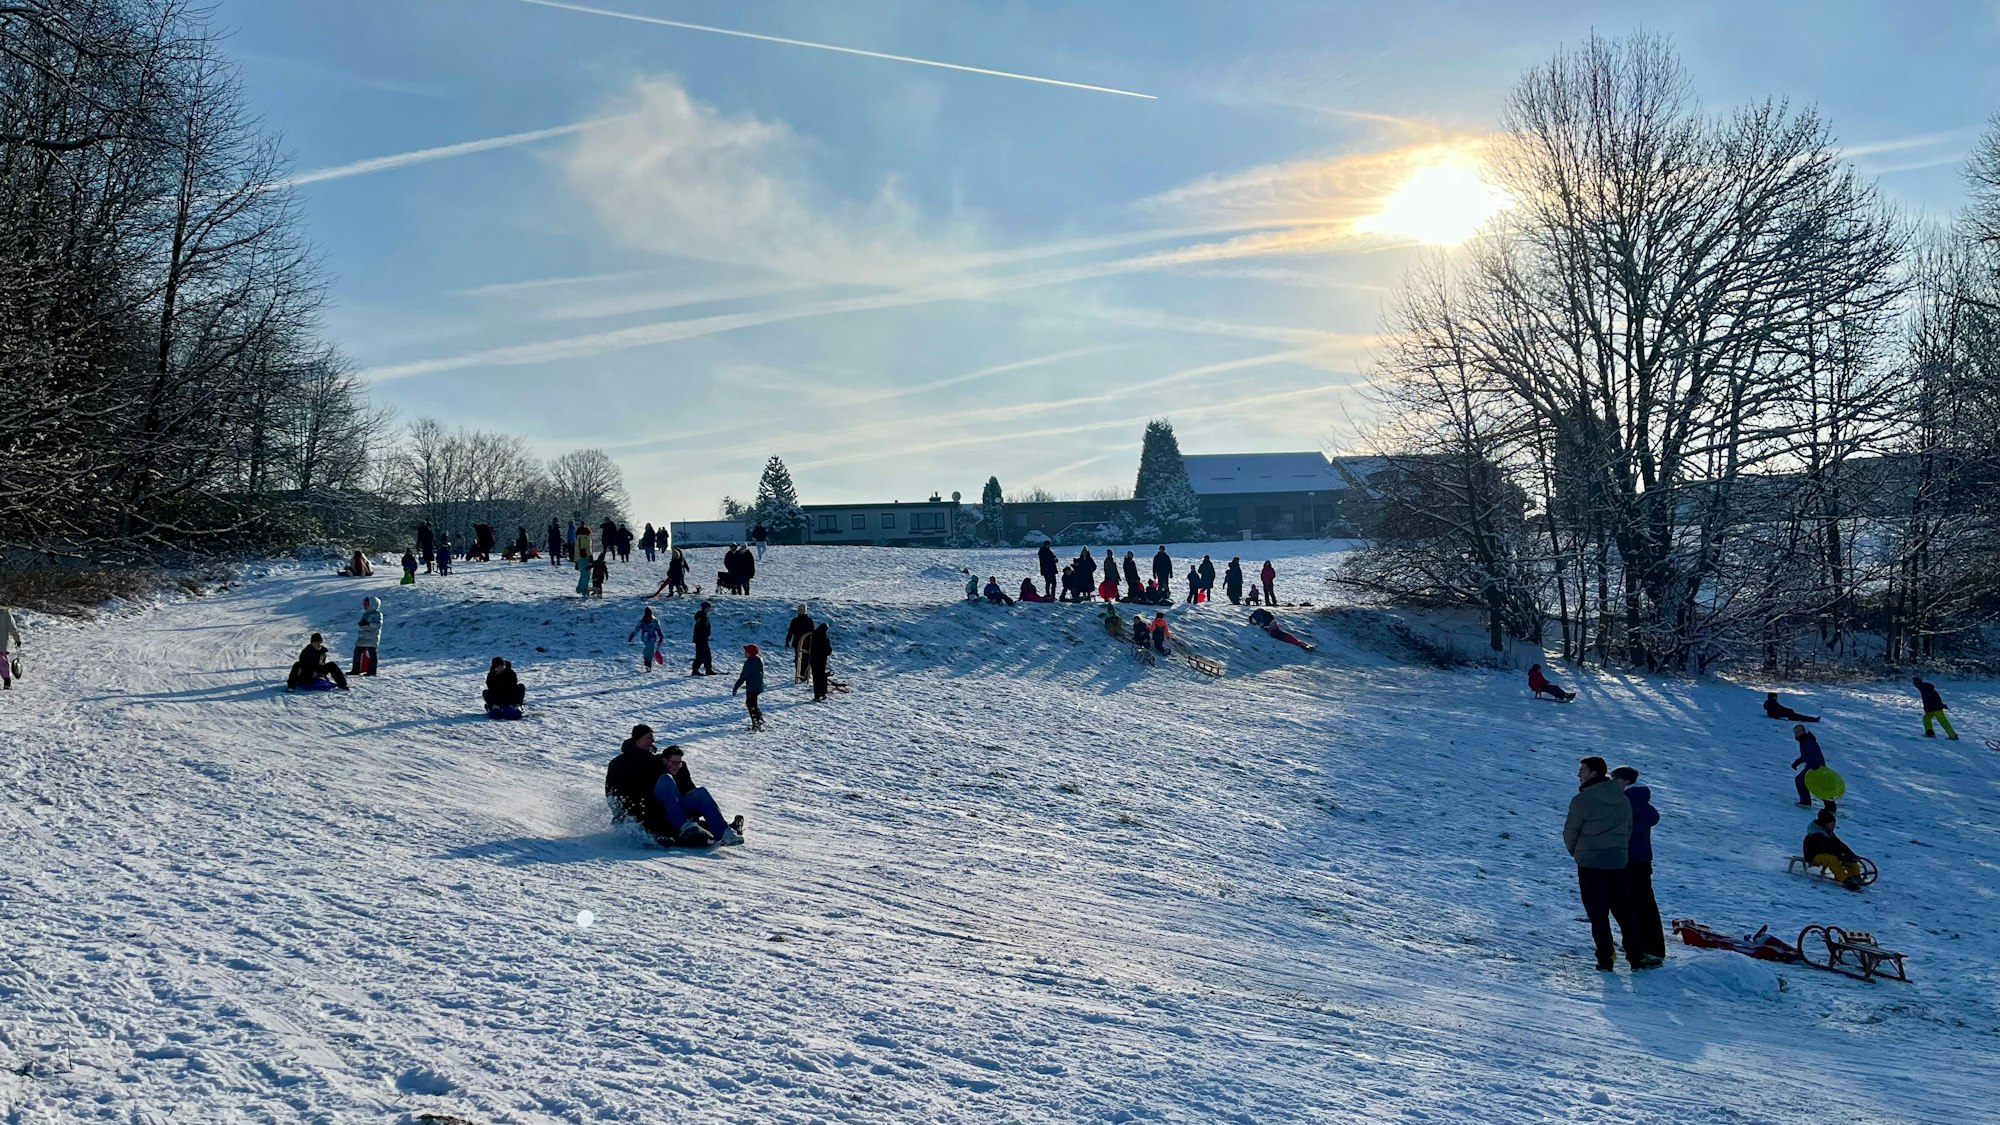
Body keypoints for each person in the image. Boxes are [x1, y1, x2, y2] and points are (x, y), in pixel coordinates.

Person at [1563, 756, 1638, 971]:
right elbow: (1628, 830)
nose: (1579, 774)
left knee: (1598, 913)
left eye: (1583, 770)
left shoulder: (1582, 800)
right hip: (1617, 861)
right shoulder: (1623, 800)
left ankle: (1605, 956)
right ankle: (1635, 954)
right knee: (1623, 910)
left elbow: (1570, 831)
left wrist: (1578, 852)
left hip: (1590, 863)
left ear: (1594, 772)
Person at [1611, 766, 1665, 968]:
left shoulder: (1632, 799)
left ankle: (1650, 947)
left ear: (1624, 780)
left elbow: (1649, 818)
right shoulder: (1634, 798)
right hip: (1635, 859)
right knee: (1639, 904)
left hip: (1634, 860)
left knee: (1641, 904)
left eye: (1613, 779)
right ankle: (1645, 945)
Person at [653, 743, 745, 847]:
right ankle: (685, 827)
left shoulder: (682, 769)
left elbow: (690, 790)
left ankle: (724, 833)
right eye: (674, 763)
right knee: (666, 778)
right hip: (660, 806)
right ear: (665, 760)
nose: (677, 767)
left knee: (700, 793)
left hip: (679, 805)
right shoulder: (654, 765)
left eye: (679, 763)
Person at [605, 724, 666, 828]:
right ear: (638, 741)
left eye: (653, 737)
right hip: (631, 809)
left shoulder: (653, 760)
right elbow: (614, 792)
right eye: (649, 737)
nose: (653, 741)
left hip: (647, 807)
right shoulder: (621, 762)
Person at [1802, 808, 1865, 890]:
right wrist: (1843, 857)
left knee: (1850, 862)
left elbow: (1839, 844)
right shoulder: (1816, 834)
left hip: (1827, 854)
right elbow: (1827, 849)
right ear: (1827, 824)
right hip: (1813, 856)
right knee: (1832, 859)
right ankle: (1845, 880)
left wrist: (1852, 855)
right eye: (1833, 824)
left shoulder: (1827, 832)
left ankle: (1855, 877)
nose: (1834, 827)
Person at [1790, 724, 1828, 807]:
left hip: (1815, 765)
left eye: (1798, 732)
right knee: (1817, 783)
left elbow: (1810, 754)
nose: (1796, 734)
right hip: (1815, 765)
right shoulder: (1805, 740)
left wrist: (1796, 763)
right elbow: (1806, 755)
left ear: (1803, 731)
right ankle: (1830, 806)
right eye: (1795, 732)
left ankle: (1805, 802)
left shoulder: (1807, 741)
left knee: (1800, 780)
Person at [732, 643, 766, 731]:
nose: (744, 653)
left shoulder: (749, 664)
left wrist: (736, 687)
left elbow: (743, 677)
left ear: (750, 653)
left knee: (751, 704)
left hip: (752, 687)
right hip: (758, 686)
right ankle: (759, 719)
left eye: (746, 651)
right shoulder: (758, 661)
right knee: (752, 703)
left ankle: (756, 724)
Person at [1247, 607, 1314, 650]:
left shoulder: (1258, 615)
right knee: (1283, 635)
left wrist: (1262, 624)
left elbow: (1262, 622)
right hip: (1271, 622)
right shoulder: (1261, 615)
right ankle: (1301, 643)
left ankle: (1301, 644)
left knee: (1279, 634)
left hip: (1271, 623)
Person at [1913, 675, 1957, 740]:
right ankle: (1929, 732)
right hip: (1931, 708)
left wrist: (1941, 705)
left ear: (1917, 683)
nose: (1915, 685)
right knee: (1926, 719)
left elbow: (1933, 698)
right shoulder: (1923, 688)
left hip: (1936, 708)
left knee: (1943, 721)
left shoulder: (1926, 688)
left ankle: (1953, 736)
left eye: (1915, 683)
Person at [352, 596, 383, 676]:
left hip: (371, 638)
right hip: (363, 637)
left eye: (366, 604)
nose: (365, 606)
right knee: (357, 652)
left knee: (372, 654)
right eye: (364, 604)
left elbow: (377, 625)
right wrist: (362, 624)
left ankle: (372, 671)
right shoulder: (365, 614)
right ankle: (355, 670)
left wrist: (367, 624)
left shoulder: (377, 614)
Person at [785, 605, 816, 682]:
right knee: (798, 658)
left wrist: (814, 642)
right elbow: (791, 631)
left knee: (806, 659)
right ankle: (798, 674)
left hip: (807, 643)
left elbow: (812, 633)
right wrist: (787, 640)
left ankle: (805, 674)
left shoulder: (809, 621)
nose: (800, 611)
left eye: (802, 610)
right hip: (797, 643)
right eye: (799, 610)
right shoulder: (795, 621)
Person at [809, 622, 832, 702]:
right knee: (822, 677)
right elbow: (829, 651)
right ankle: (823, 692)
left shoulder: (813, 637)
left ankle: (817, 694)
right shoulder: (825, 639)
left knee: (816, 677)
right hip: (821, 661)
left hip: (813, 660)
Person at [690, 601, 716, 676]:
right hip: (701, 640)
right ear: (705, 608)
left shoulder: (703, 616)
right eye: (708, 607)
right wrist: (703, 637)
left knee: (704, 655)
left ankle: (707, 669)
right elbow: (701, 629)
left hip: (702, 639)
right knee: (702, 655)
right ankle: (697, 670)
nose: (709, 609)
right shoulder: (702, 617)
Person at [0, 604, 21, 690]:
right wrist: (17, 639)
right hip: (1, 642)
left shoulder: (5, 613)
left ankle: (7, 680)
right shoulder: (6, 613)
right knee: (2, 661)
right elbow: (12, 628)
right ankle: (7, 680)